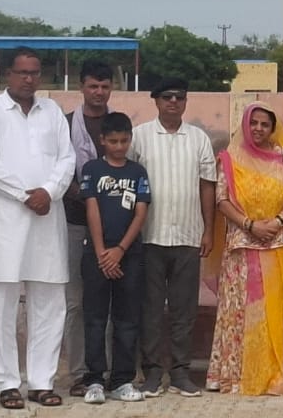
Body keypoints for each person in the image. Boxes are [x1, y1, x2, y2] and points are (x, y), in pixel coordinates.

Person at [0, 47, 75, 410]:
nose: (29, 79)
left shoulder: (52, 112)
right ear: (8, 74)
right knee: (3, 305)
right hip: (8, 223)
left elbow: (67, 158)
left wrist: (49, 191)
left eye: (34, 72)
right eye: (22, 72)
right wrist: (25, 194)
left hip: (48, 219)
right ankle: (6, 383)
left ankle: (42, 382)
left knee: (50, 302)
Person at [206, 102, 283, 395]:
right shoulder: (229, 159)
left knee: (277, 311)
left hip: (280, 244)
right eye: (253, 123)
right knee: (244, 311)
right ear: (244, 125)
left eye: (265, 124)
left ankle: (278, 374)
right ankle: (240, 375)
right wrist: (251, 225)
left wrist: (277, 222)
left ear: (273, 128)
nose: (258, 129)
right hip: (243, 246)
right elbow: (222, 200)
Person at [130, 76, 217, 397]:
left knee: (184, 310)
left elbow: (207, 185)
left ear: (185, 102)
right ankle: (152, 372)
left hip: (188, 236)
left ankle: (180, 372)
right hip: (149, 237)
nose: (173, 102)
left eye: (179, 97)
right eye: (167, 96)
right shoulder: (139, 137)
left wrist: (208, 230)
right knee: (150, 309)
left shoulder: (198, 138)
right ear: (155, 100)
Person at [78, 112, 151, 404]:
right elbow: (92, 209)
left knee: (127, 319)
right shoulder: (92, 169)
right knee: (95, 318)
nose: (119, 147)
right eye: (113, 141)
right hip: (97, 254)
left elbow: (141, 212)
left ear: (130, 140)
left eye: (123, 141)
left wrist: (120, 250)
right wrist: (102, 254)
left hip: (128, 255)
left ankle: (122, 380)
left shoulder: (138, 172)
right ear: (102, 141)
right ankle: (94, 380)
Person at [61, 60, 115, 398]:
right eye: (93, 86)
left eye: (104, 86)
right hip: (73, 222)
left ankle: (105, 370)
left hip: (112, 227)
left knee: (109, 302)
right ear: (81, 87)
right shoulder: (66, 125)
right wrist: (81, 192)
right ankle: (80, 373)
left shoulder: (118, 125)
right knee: (76, 302)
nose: (98, 92)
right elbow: (55, 168)